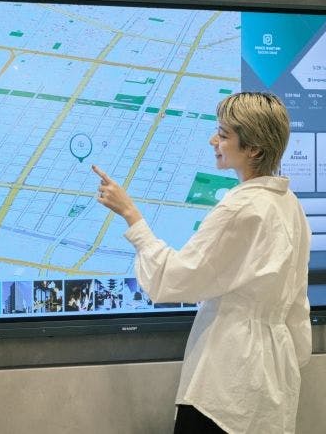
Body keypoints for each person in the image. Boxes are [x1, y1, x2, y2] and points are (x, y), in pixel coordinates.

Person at [93, 92, 311, 434]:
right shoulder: (290, 205)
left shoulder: (241, 208)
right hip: (273, 383)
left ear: (253, 149)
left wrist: (131, 215)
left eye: (223, 135)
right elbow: (298, 307)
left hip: (225, 384)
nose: (213, 141)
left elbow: (173, 279)